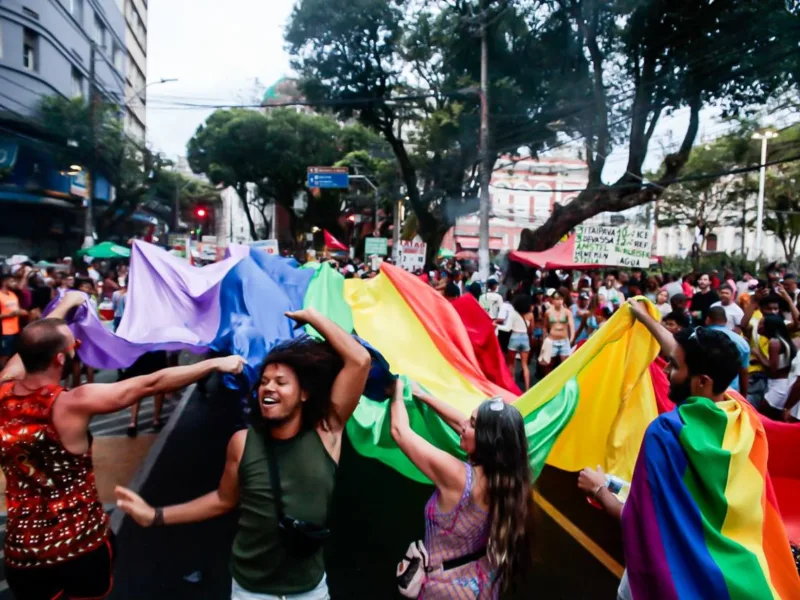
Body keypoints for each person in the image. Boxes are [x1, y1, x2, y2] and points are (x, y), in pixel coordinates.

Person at [0, 291, 246, 600]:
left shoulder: (4, 389)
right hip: (80, 548)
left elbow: (23, 354)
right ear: (60, 359)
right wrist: (214, 365)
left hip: (22, 552)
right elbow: (150, 383)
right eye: (74, 345)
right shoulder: (72, 403)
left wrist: (65, 304)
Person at [115, 308, 371, 600]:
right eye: (264, 381)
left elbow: (359, 361)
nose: (268, 387)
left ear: (304, 394)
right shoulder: (242, 443)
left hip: (309, 590)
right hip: (251, 591)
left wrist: (314, 317)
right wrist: (155, 516)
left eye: (281, 382)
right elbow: (223, 499)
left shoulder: (326, 432)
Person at [579, 300, 758, 600]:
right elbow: (681, 354)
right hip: (714, 576)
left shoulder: (667, 433)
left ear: (701, 381)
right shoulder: (743, 417)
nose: (666, 369)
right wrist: (644, 318)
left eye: (674, 366)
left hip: (660, 580)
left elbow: (641, 521)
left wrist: (599, 490)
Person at [391, 381, 532, 598]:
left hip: (445, 590)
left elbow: (400, 432)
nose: (463, 424)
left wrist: (398, 390)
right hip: (481, 586)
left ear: (486, 439)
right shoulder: (512, 476)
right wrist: (422, 395)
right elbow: (462, 424)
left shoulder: (459, 477)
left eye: (473, 423)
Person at [753, 314, 797, 420]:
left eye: (761, 324)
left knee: (760, 415)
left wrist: (758, 354)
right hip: (782, 384)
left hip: (778, 386)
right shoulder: (781, 340)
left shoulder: (774, 342)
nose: (758, 326)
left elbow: (772, 369)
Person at [706, 306, 750, 398]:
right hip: (731, 393)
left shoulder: (695, 337)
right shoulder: (741, 342)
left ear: (708, 320)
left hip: (701, 391)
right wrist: (743, 397)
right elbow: (744, 372)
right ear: (726, 321)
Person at [539, 291, 574, 375]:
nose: (559, 301)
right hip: (552, 340)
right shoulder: (548, 312)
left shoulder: (567, 312)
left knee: (565, 365)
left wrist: (572, 338)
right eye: (557, 299)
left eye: (561, 299)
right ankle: (548, 383)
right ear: (553, 300)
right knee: (548, 365)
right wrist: (544, 339)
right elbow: (544, 326)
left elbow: (571, 325)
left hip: (564, 340)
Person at [0, 273, 26, 369]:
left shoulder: (13, 294)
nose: (14, 283)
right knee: (4, 356)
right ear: (4, 282)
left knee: (12, 355)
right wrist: (10, 315)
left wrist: (22, 312)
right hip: (4, 332)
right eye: (12, 281)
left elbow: (17, 309)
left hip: (15, 330)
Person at [507, 295, 533, 390]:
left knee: (511, 364)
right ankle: (527, 388)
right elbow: (531, 330)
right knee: (525, 365)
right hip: (525, 337)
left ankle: (512, 387)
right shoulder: (530, 315)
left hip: (514, 336)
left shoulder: (513, 313)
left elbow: (508, 327)